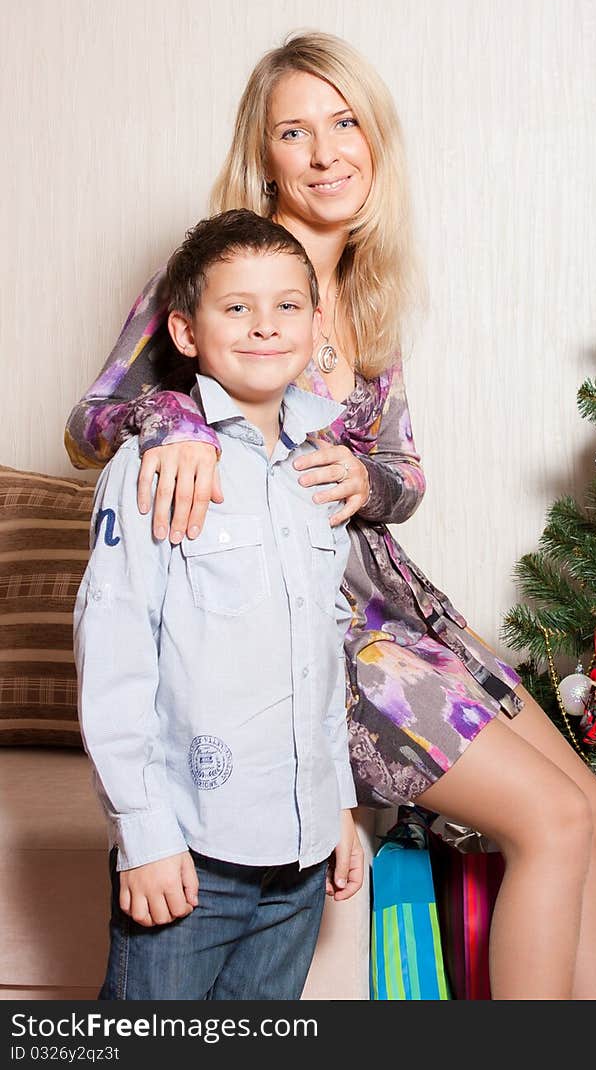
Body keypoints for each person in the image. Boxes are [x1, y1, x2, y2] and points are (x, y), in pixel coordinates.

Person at [67, 32, 596, 1000]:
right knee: (548, 820)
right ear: (264, 151)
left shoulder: (362, 297)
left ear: (376, 140)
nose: (328, 152)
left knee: (590, 804)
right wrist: (172, 423)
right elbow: (89, 422)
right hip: (327, 637)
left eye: (346, 123)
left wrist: (366, 483)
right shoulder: (228, 273)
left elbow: (404, 474)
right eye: (296, 130)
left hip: (400, 608)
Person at [73, 210, 363, 1001]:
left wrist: (336, 803)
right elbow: (116, 654)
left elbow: (322, 653)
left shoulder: (322, 469)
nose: (265, 327)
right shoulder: (158, 465)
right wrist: (142, 836)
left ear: (315, 322)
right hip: (193, 856)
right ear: (186, 331)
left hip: (299, 859)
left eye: (287, 306)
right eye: (237, 307)